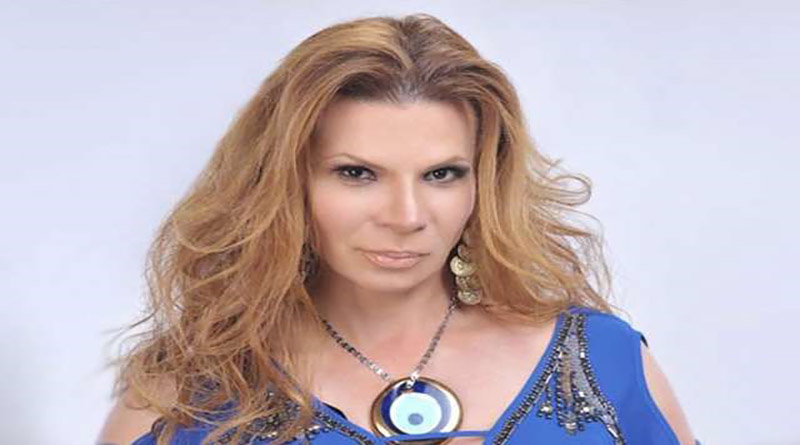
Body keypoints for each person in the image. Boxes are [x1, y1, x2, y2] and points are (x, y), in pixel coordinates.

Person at [99, 13, 698, 445]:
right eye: (357, 173)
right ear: (284, 182)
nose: (406, 216)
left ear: (483, 183)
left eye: (441, 174)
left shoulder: (602, 360)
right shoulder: (187, 388)